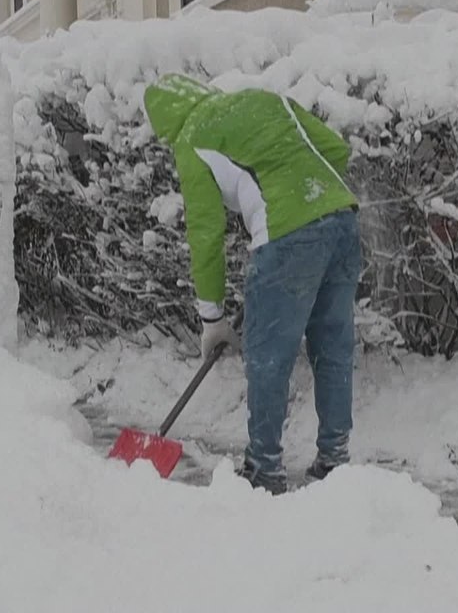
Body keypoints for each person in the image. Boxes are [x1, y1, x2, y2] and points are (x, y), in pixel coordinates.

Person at [143, 73, 362, 495]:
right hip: (342, 221)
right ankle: (334, 461)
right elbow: (335, 149)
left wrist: (212, 318)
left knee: (268, 356)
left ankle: (265, 470)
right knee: (332, 345)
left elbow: (206, 238)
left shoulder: (191, 139)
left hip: (285, 237)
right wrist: (310, 202)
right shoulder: (263, 100)